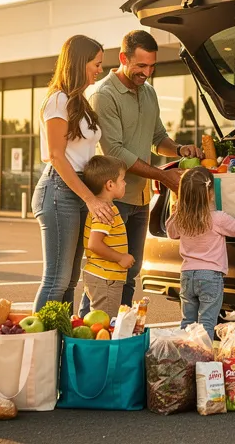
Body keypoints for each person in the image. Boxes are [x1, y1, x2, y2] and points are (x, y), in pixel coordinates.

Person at [85, 29, 204, 315]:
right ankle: (92, 332)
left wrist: (179, 150)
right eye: (140, 66)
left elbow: (158, 137)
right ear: (123, 58)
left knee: (131, 269)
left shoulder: (149, 92)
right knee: (107, 274)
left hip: (140, 198)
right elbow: (115, 152)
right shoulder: (103, 94)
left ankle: (120, 333)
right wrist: (164, 176)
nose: (146, 73)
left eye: (152, 66)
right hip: (112, 199)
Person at [32, 34, 116, 313]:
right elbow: (57, 156)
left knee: (69, 283)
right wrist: (91, 200)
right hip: (59, 191)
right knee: (56, 280)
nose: (100, 69)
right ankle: (38, 346)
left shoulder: (79, 101)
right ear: (80, 63)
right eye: (96, 63)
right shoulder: (57, 100)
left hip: (79, 191)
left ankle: (59, 345)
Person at [165, 167, 235, 340]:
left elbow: (171, 233)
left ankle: (187, 360)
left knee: (187, 323)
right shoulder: (217, 218)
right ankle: (203, 362)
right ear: (211, 194)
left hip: (186, 276)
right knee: (206, 323)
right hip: (210, 277)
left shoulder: (181, 218)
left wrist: (176, 210)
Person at [79, 155, 135, 316]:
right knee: (105, 323)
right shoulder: (106, 211)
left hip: (102, 277)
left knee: (95, 321)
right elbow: (94, 244)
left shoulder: (103, 208)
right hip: (106, 278)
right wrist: (120, 257)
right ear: (110, 184)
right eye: (122, 179)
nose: (125, 183)